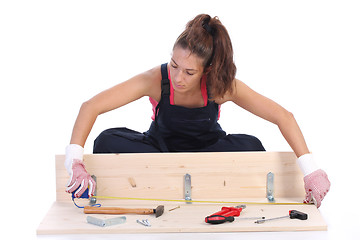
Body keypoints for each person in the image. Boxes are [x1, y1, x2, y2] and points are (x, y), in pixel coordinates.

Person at [65, 14, 330, 207]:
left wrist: (311, 170)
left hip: (208, 150)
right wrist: (74, 161)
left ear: (208, 70)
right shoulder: (154, 79)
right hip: (160, 150)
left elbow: (282, 116)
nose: (178, 77)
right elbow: (91, 106)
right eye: (174, 65)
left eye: (189, 72)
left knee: (254, 148)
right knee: (104, 141)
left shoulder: (222, 86)